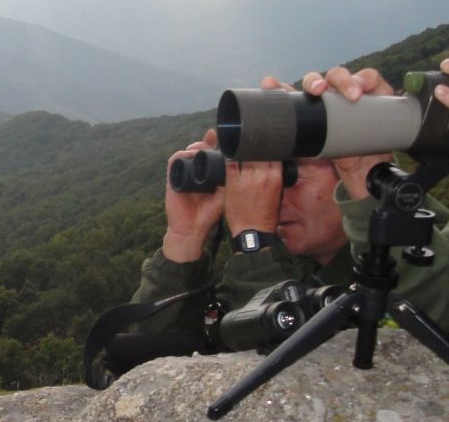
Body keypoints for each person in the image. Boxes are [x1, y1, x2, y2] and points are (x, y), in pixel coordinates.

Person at [131, 63, 449, 338]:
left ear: (346, 168)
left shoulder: (425, 260)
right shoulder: (293, 269)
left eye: (289, 175)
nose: (269, 195)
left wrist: (253, 242)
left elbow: (305, 377)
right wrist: (184, 241)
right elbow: (141, 366)